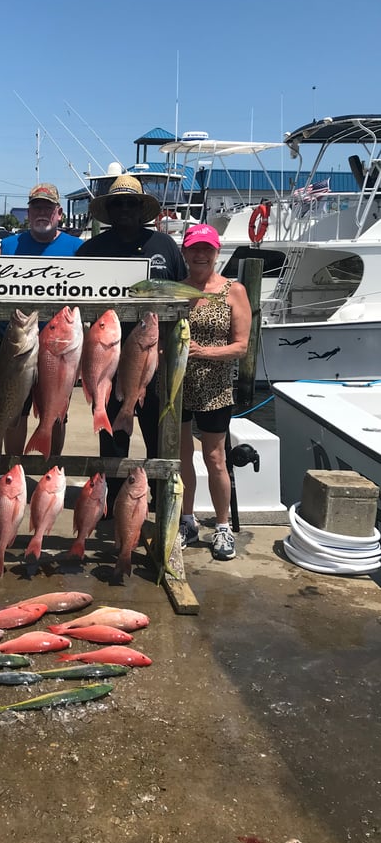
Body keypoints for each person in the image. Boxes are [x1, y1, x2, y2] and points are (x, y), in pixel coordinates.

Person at [76, 173, 187, 509]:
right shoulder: (91, 250)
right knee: (112, 440)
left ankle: (154, 504)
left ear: (142, 209)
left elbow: (182, 294)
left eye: (131, 202)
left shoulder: (165, 246)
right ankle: (107, 506)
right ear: (109, 209)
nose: (124, 208)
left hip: (155, 360)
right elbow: (71, 301)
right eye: (118, 203)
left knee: (158, 437)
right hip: (108, 361)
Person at [177, 223, 252, 560]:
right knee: (181, 459)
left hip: (215, 388)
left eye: (207, 248)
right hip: (177, 385)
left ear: (217, 251)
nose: (200, 254)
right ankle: (186, 520)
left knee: (215, 458)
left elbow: (241, 346)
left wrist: (203, 352)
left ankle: (222, 527)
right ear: (185, 252)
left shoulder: (233, 290)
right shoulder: (176, 290)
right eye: (194, 248)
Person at [0, 183, 84, 455]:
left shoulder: (77, 247)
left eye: (48, 208)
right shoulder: (9, 245)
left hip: (60, 346)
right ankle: (12, 472)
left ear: (59, 212)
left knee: (58, 410)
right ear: (28, 212)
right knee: (15, 410)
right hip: (18, 346)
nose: (42, 213)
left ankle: (51, 467)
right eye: (37, 207)